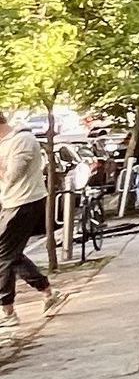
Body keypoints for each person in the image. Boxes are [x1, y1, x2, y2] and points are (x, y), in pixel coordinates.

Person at [0, 111, 66, 329]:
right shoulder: (7, 142)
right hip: (13, 202)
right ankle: (48, 292)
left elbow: (11, 177)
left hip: (24, 203)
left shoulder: (22, 141)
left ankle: (8, 311)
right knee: (12, 254)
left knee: (3, 255)